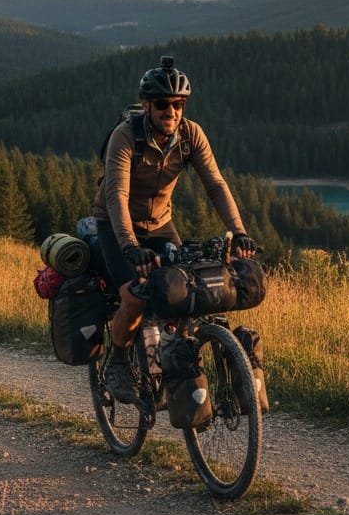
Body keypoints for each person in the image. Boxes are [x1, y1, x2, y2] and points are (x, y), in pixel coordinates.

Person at [91, 56, 266, 408]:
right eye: (162, 104)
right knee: (135, 295)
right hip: (115, 225)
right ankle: (119, 361)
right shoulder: (125, 137)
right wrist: (129, 246)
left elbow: (215, 184)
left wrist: (239, 230)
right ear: (146, 106)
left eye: (178, 104)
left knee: (185, 291)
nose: (170, 111)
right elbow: (117, 196)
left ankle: (175, 365)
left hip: (160, 224)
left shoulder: (190, 135)